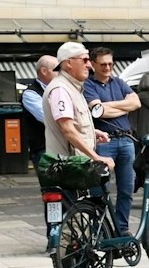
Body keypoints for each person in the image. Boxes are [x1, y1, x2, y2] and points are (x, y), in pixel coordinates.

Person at [81, 48, 142, 235]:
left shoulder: (120, 82)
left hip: (126, 140)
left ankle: (121, 229)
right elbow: (98, 111)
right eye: (103, 64)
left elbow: (136, 103)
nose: (108, 67)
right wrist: (124, 107)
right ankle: (98, 230)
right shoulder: (88, 85)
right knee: (100, 190)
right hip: (104, 141)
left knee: (126, 189)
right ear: (92, 64)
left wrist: (106, 107)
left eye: (110, 64)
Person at [42, 43, 112, 176]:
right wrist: (97, 157)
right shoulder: (61, 89)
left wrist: (92, 132)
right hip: (67, 167)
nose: (89, 65)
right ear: (69, 63)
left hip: (76, 165)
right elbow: (67, 129)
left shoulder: (73, 87)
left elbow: (73, 124)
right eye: (85, 60)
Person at [17, 54, 57, 168]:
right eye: (57, 69)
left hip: (64, 146)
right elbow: (49, 119)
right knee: (52, 185)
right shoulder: (31, 94)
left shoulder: (60, 90)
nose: (61, 72)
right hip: (44, 149)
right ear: (44, 71)